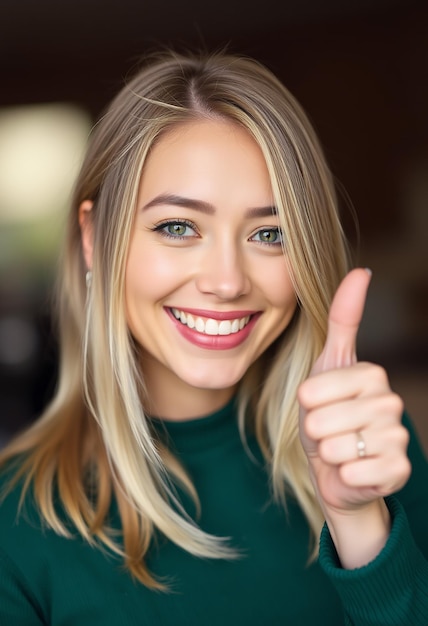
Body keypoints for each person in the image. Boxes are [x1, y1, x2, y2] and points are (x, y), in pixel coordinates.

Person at [0, 49, 427, 625]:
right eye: (178, 227)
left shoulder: (368, 442)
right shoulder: (13, 520)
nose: (226, 282)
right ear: (93, 238)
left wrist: (361, 527)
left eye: (270, 233)